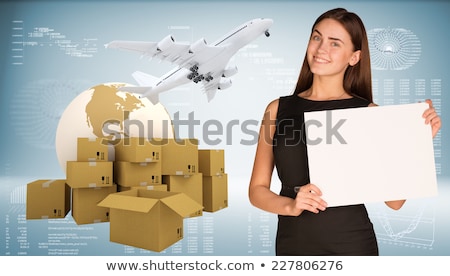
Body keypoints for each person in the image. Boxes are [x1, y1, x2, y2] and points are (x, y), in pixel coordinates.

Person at [248, 7, 442, 256]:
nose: (321, 49)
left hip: (353, 245)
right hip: (293, 244)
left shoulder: (370, 113)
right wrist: (290, 206)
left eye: (335, 43)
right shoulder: (276, 110)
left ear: (354, 57)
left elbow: (395, 202)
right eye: (317, 37)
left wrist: (417, 144)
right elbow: (257, 190)